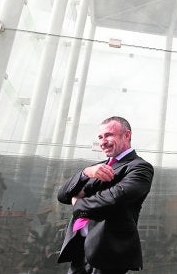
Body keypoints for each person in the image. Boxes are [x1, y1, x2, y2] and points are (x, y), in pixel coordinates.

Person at [57, 116, 154, 273]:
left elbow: (114, 199)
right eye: (100, 137)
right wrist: (85, 173)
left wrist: (78, 203)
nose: (103, 142)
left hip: (109, 254)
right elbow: (62, 195)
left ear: (127, 135)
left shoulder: (140, 167)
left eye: (109, 135)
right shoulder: (96, 168)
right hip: (80, 251)